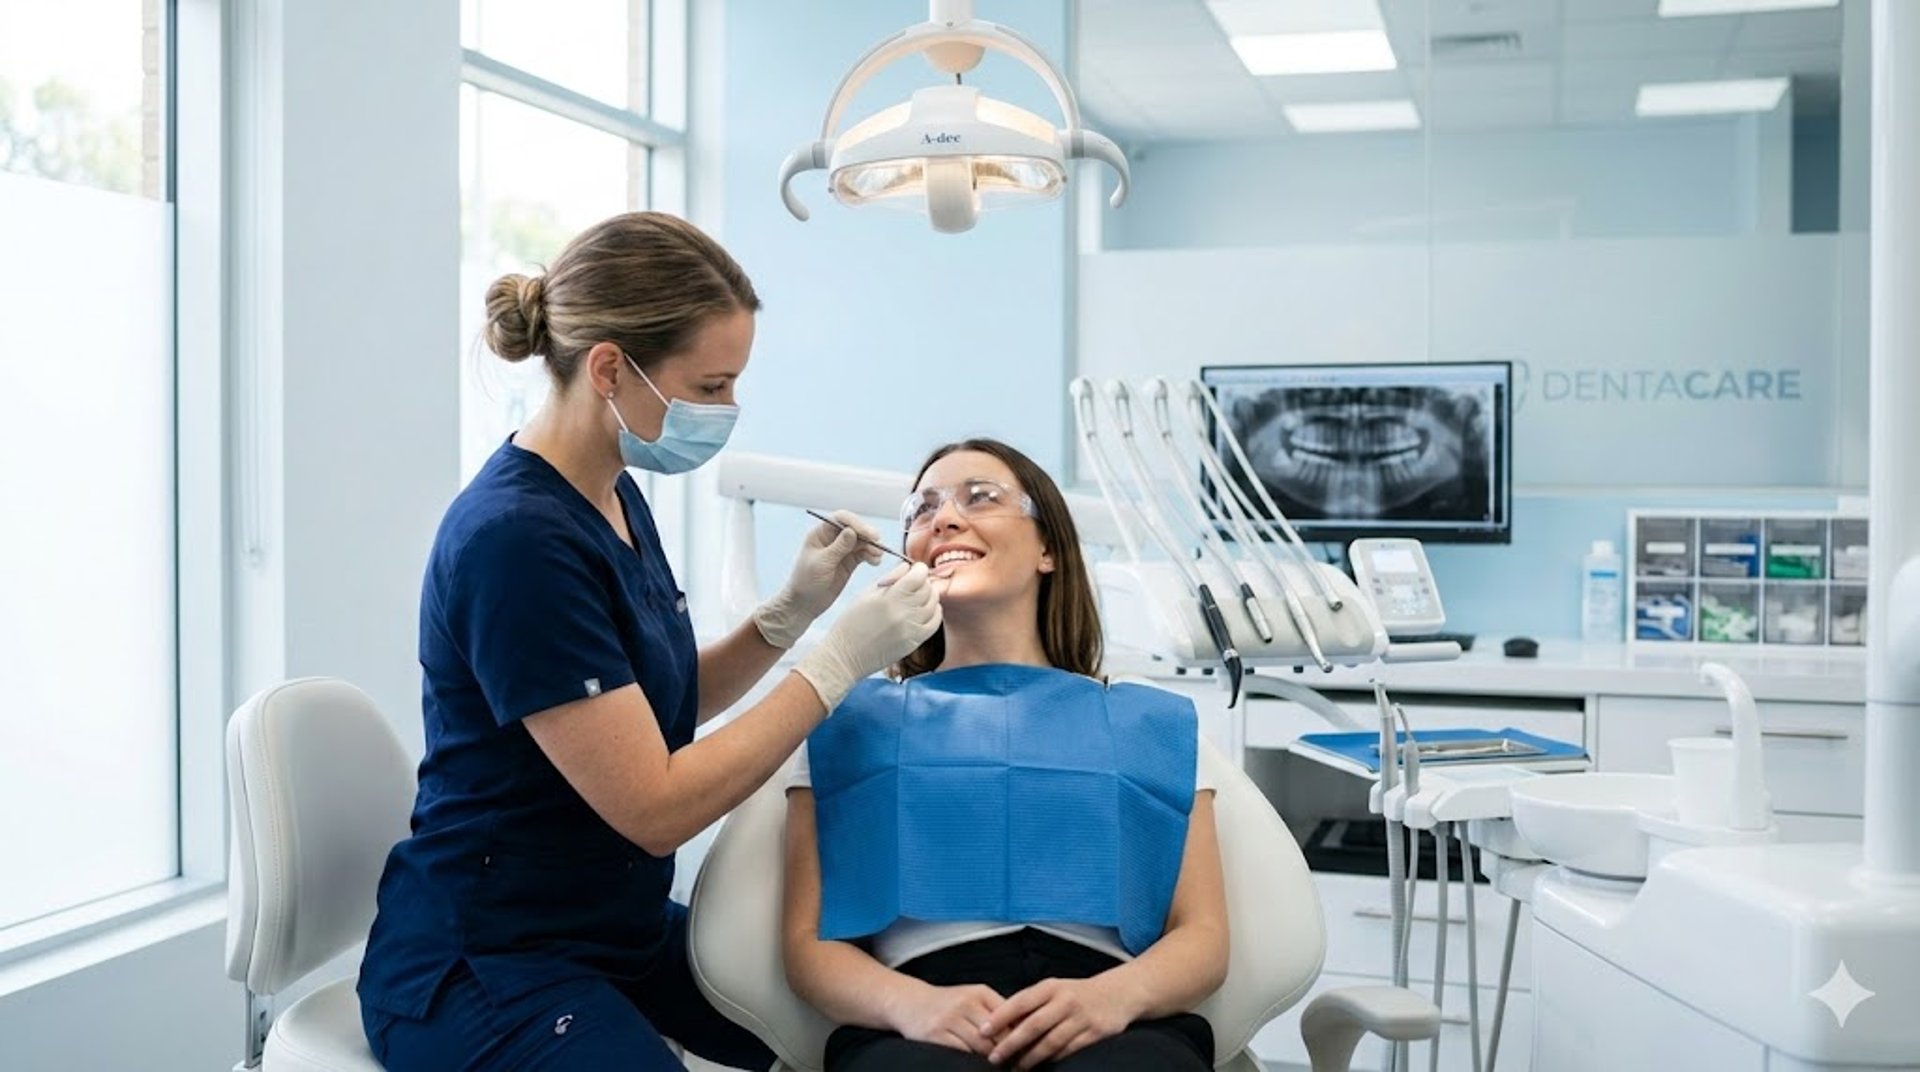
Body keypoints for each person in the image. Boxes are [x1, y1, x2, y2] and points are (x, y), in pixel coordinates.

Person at [357, 211, 943, 1072]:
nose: (727, 410)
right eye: (710, 387)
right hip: (487, 959)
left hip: (609, 929)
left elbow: (660, 700)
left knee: (845, 1033)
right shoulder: (515, 541)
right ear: (608, 368)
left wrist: (790, 614)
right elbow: (654, 805)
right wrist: (836, 663)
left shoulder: (612, 495)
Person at [780, 438, 1229, 1072]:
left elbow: (1203, 936)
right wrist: (909, 1006)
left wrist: (1113, 997)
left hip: (1112, 1013)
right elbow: (807, 944)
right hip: (916, 1020)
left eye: (980, 497)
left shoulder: (1150, 721)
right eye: (922, 508)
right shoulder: (847, 720)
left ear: (1049, 549)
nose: (944, 518)